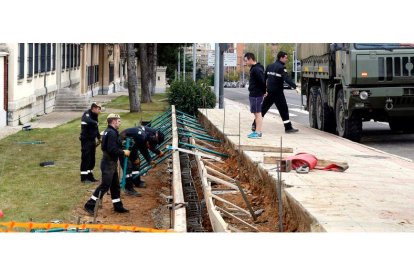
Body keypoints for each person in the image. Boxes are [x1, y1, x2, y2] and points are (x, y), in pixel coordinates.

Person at [84, 113, 131, 215]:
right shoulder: (112, 133)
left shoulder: (109, 131)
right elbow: (111, 149)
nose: (120, 122)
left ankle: (118, 206)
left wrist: (120, 144)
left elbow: (107, 146)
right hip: (108, 163)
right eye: (118, 121)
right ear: (113, 121)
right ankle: (89, 204)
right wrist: (123, 152)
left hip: (110, 163)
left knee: (115, 186)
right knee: (105, 186)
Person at [253, 51, 299, 133]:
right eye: (286, 57)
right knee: (283, 109)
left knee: (263, 109)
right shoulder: (281, 67)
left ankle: (254, 125)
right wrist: (295, 87)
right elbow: (286, 79)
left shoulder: (269, 66)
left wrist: (263, 90)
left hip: (269, 92)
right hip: (278, 93)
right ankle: (288, 128)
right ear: (281, 57)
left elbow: (264, 79)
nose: (286, 59)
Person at [119, 125, 165, 196]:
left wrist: (149, 160)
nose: (150, 147)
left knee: (136, 163)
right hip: (124, 144)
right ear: (148, 142)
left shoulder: (148, 136)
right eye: (149, 145)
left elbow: (144, 147)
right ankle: (128, 188)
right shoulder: (144, 136)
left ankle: (136, 181)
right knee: (128, 167)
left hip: (131, 145)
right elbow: (143, 148)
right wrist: (136, 158)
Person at [244, 52, 266, 139]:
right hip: (254, 94)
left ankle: (257, 132)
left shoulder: (257, 69)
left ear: (250, 59)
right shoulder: (254, 68)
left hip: (257, 94)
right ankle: (257, 132)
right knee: (256, 113)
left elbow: (262, 81)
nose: (245, 63)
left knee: (258, 114)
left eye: (246, 61)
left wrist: (264, 91)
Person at [80, 102, 102, 183]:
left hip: (92, 140)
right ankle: (84, 177)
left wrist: (99, 138)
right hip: (86, 140)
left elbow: (96, 128)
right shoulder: (87, 114)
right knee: (86, 158)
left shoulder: (95, 116)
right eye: (98, 108)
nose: (100, 110)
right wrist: (95, 122)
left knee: (92, 159)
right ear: (93, 108)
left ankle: (90, 176)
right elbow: (87, 120)